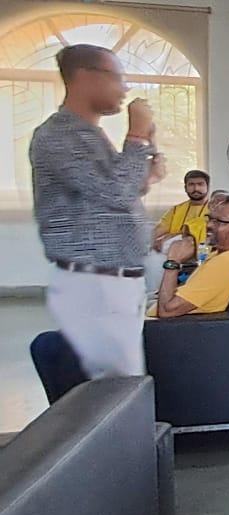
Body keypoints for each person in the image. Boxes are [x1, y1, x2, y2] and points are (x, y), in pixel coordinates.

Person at [31, 44, 159, 380]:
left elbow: (121, 189)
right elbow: (114, 191)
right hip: (95, 282)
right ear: (87, 78)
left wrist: (147, 150)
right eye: (118, 78)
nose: (124, 89)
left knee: (125, 389)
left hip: (114, 281)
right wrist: (136, 135)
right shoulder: (59, 135)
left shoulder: (89, 134)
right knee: (117, 393)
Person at [149, 195, 229, 318]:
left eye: (219, 222)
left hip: (156, 326)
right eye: (210, 219)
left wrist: (173, 262)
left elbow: (166, 311)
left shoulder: (226, 264)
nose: (209, 225)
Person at [152, 169, 210, 248]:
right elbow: (157, 231)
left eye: (200, 184)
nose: (196, 188)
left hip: (204, 254)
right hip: (173, 251)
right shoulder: (176, 210)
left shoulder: (215, 210)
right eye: (191, 184)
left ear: (207, 187)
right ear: (185, 188)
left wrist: (170, 237)